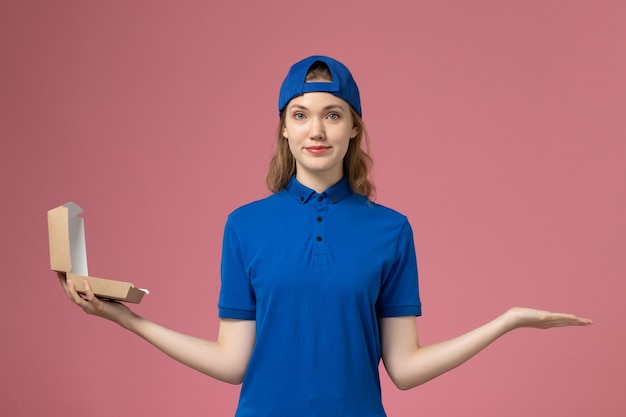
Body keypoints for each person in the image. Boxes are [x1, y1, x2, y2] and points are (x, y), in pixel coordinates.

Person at [58, 55, 592, 417]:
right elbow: (232, 362)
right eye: (302, 115)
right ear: (285, 128)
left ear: (353, 128)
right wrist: (127, 319)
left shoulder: (391, 230)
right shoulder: (244, 225)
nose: (317, 131)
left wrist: (507, 322)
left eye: (332, 115)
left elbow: (403, 369)